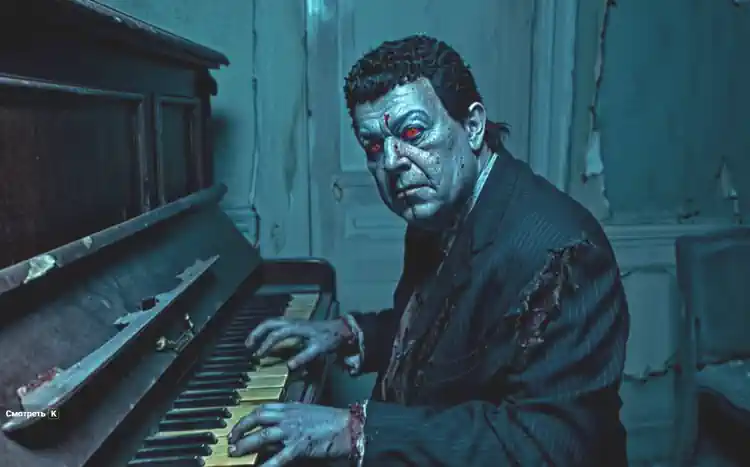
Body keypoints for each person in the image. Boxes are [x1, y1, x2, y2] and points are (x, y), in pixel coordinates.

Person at [227, 34, 630, 466]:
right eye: (373, 146)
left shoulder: (565, 252)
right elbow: (444, 335)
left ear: (473, 126)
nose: (391, 162)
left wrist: (355, 432)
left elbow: (550, 444)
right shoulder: (436, 211)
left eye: (413, 132)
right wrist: (347, 334)